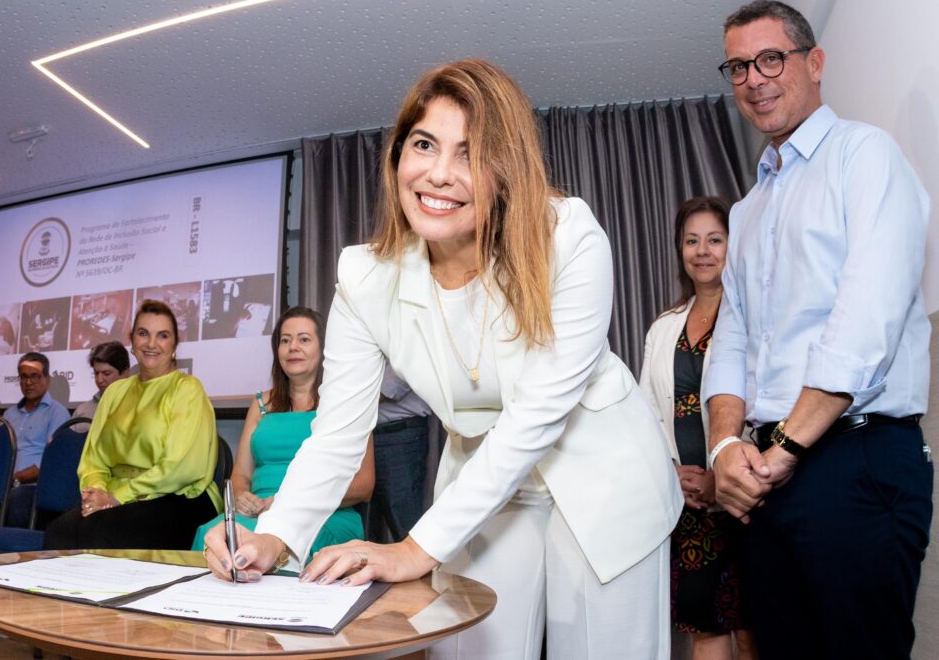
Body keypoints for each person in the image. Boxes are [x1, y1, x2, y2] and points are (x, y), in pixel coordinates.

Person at [203, 59, 682, 658]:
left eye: (470, 154)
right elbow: (338, 436)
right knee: (471, 649)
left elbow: (536, 417)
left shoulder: (568, 237)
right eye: (424, 144)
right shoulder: (364, 276)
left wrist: (413, 549)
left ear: (507, 170)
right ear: (398, 154)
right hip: (481, 485)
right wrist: (272, 537)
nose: (439, 174)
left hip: (601, 471)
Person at [704, 0, 932, 660]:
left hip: (855, 459)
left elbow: (865, 319)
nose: (754, 78)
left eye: (771, 58)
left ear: (815, 62)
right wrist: (724, 449)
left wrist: (783, 449)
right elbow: (732, 340)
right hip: (767, 479)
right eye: (739, 67)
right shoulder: (747, 210)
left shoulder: (865, 154)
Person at [639, 197, 754, 659]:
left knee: (753, 626)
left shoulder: (752, 316)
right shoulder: (663, 328)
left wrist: (720, 477)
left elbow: (765, 402)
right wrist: (672, 474)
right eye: (691, 241)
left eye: (714, 239)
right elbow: (645, 413)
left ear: (733, 245)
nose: (702, 251)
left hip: (748, 496)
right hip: (687, 505)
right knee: (703, 626)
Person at [192, 306, 373, 553]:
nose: (293, 347)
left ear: (324, 348)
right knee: (211, 534)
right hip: (258, 514)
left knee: (273, 543)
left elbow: (364, 485)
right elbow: (241, 475)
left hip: (322, 515)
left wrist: (288, 503)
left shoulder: (347, 402)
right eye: (285, 341)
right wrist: (242, 496)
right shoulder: (260, 403)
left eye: (304, 339)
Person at [44, 300, 221, 549]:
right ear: (132, 340)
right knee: (58, 532)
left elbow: (179, 468)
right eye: (143, 333)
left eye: (163, 335)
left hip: (179, 497)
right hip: (117, 495)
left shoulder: (187, 389)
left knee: (99, 531)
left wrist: (118, 497)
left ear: (174, 345)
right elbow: (94, 458)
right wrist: (97, 493)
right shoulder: (115, 391)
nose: (151, 343)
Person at [3, 352, 71, 527]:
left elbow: (51, 463)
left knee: (16, 499)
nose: (28, 382)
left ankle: (12, 545)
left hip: (34, 488)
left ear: (47, 379)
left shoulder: (57, 413)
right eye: (24, 377)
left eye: (34, 376)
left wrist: (14, 479)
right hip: (5, 484)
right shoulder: (9, 414)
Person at [367, 365, 432, 542]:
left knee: (407, 531)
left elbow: (391, 387)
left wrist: (347, 394)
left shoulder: (410, 345)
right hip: (361, 436)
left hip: (398, 438)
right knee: (366, 532)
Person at [72, 341, 130, 419]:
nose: (99, 380)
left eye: (106, 374)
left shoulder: (140, 406)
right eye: (96, 373)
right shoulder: (82, 411)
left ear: (125, 373)